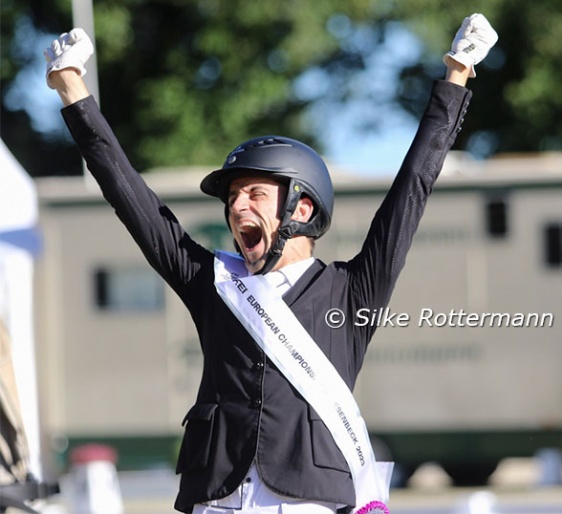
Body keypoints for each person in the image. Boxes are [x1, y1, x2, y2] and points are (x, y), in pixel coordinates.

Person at [44, 13, 497, 514]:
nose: (238, 208)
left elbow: (414, 185)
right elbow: (136, 205)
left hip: (309, 501)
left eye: (255, 194)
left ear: (301, 208)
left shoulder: (352, 290)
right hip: (217, 497)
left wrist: (455, 78)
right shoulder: (211, 282)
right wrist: (73, 92)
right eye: (233, 197)